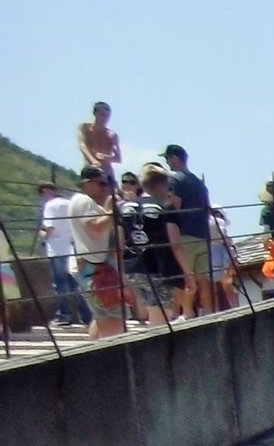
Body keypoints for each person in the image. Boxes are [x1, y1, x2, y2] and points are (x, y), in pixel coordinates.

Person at [66, 168, 125, 339]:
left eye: (108, 185)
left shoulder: (84, 202)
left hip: (95, 266)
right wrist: (110, 211)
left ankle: (93, 352)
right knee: (114, 317)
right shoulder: (84, 202)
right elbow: (96, 227)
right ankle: (109, 357)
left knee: (101, 316)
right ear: (87, 183)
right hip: (95, 268)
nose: (106, 189)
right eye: (101, 184)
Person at [118, 166, 178, 327]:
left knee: (150, 312)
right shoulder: (165, 207)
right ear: (162, 185)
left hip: (132, 267)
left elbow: (120, 242)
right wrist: (187, 273)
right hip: (157, 267)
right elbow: (175, 243)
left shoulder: (124, 207)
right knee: (161, 318)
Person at [161, 144, 213, 317]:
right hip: (202, 234)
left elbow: (174, 207)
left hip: (184, 235)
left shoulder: (174, 179)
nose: (167, 163)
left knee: (183, 277)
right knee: (203, 278)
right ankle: (208, 311)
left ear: (174, 158)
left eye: (167, 159)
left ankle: (187, 314)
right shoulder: (199, 183)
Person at [36, 181, 86, 327]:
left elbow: (50, 229)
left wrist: (42, 235)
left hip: (57, 249)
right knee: (75, 284)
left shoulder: (50, 205)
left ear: (45, 191)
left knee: (61, 284)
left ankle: (64, 315)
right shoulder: (70, 203)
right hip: (73, 248)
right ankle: (86, 315)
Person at [77, 103, 121, 187]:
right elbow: (82, 145)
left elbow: (118, 158)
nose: (104, 118)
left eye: (107, 116)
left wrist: (105, 157)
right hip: (90, 171)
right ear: (95, 113)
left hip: (107, 173)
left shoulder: (112, 135)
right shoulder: (85, 128)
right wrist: (93, 160)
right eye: (102, 115)